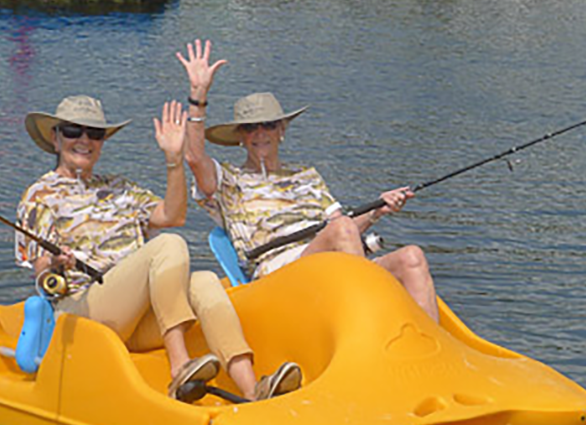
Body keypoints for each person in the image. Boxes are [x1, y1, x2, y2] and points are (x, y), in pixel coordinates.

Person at [16, 94, 302, 401]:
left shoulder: (119, 186)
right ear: (55, 138)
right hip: (81, 314)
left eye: (94, 133)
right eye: (73, 131)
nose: (84, 140)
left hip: (133, 319)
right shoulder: (38, 196)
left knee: (203, 281)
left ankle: (251, 388)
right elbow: (44, 277)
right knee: (167, 245)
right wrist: (58, 264)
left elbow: (173, 215)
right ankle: (179, 366)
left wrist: (174, 160)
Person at [181, 40, 440, 324]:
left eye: (268, 125)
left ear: (281, 130)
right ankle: (365, 326)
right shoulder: (229, 179)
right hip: (278, 275)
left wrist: (378, 210)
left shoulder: (307, 175)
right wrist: (198, 95)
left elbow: (346, 231)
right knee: (340, 230)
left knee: (412, 258)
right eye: (250, 127)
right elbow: (195, 158)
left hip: (331, 260)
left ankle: (432, 347)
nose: (260, 133)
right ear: (240, 137)